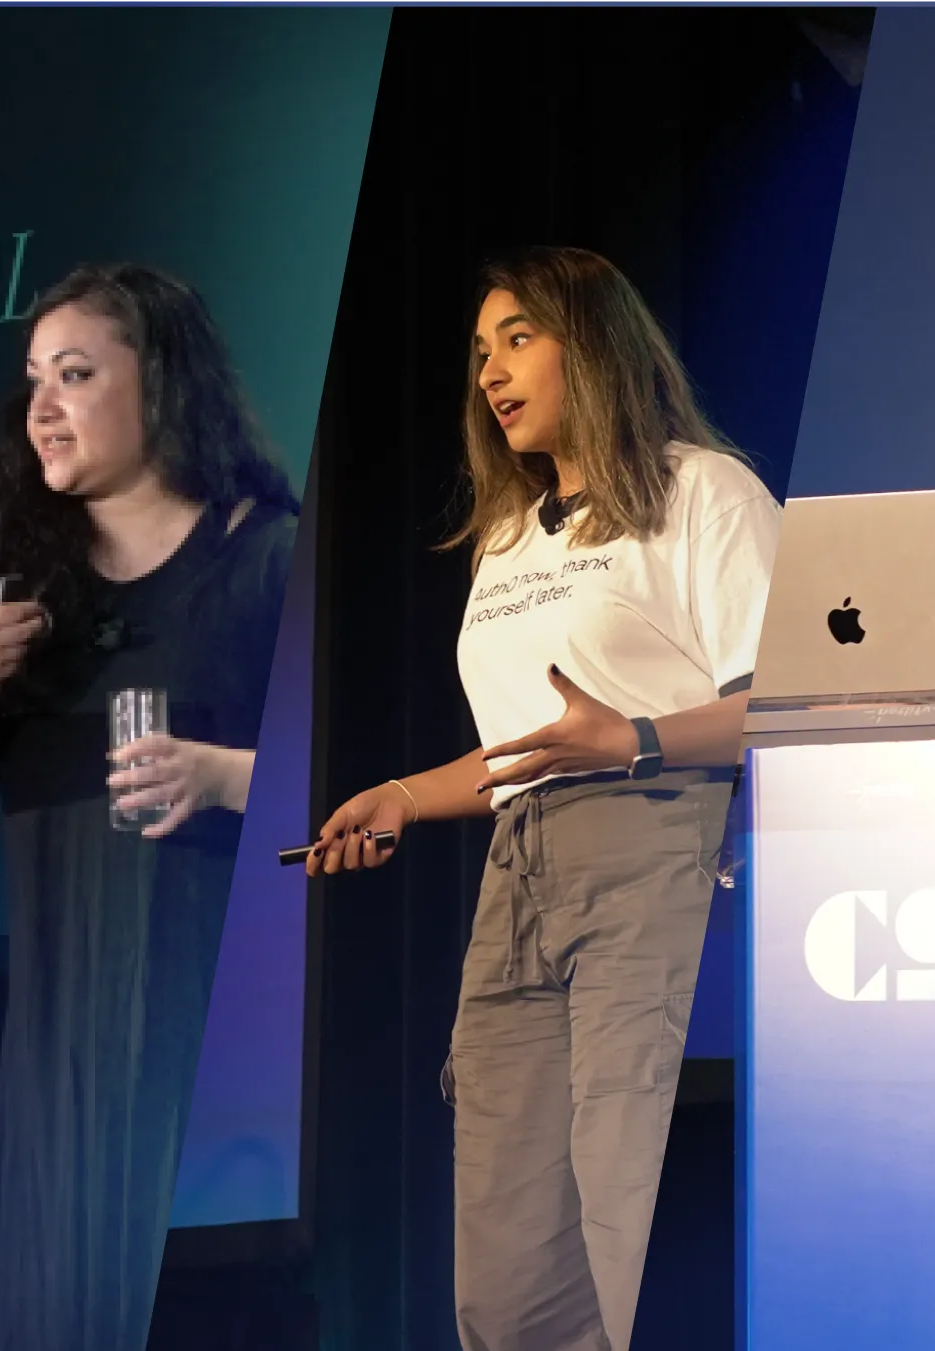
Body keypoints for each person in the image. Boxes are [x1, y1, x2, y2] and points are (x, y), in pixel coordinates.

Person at [305, 246, 779, 1351]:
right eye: (481, 350)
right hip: (518, 877)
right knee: (508, 1243)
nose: (491, 372)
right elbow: (529, 747)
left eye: (519, 338)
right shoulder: (510, 536)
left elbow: (782, 705)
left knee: (624, 1207)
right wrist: (403, 795)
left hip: (655, 854)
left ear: (595, 345)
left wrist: (637, 736)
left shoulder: (702, 491)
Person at [0, 263, 298, 1351]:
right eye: (34, 380)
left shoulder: (265, 558)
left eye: (75, 374)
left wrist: (221, 776)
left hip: (208, 1029)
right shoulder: (7, 584)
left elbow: (355, 784)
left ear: (159, 382)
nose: (43, 408)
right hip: (56, 1044)